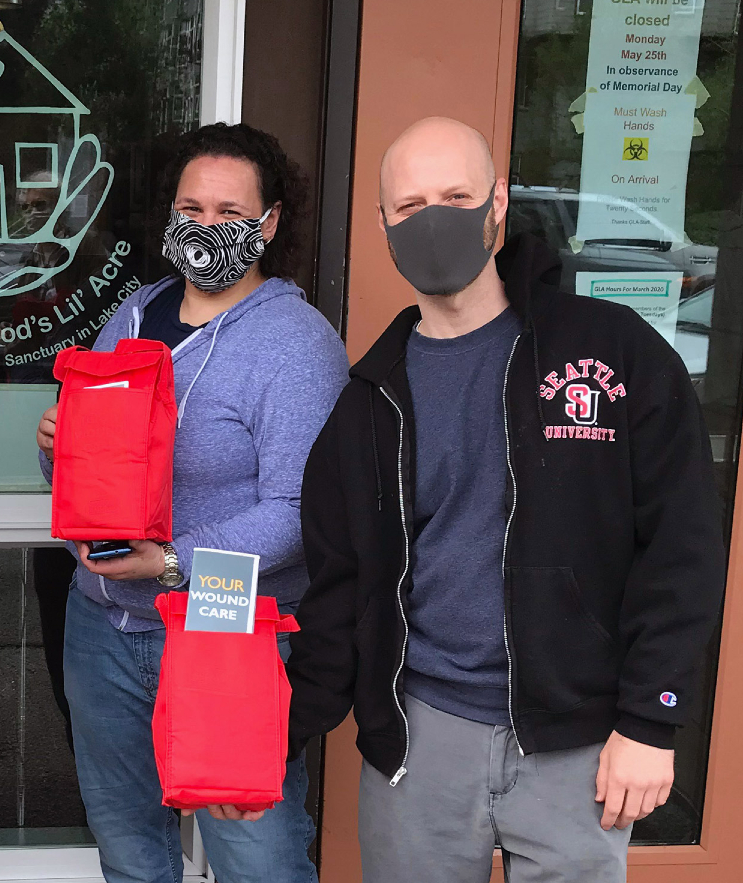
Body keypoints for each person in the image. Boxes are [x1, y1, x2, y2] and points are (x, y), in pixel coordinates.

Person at [286, 116, 725, 882]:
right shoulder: (367, 402)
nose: (434, 220)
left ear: (495, 202)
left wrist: (651, 720)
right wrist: (275, 734)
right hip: (419, 738)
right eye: (411, 204)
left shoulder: (611, 354)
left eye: (456, 195)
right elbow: (339, 586)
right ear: (383, 222)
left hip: (576, 740)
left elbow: (681, 546)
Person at [36, 122, 349, 883]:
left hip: (223, 631)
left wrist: (173, 559)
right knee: (132, 856)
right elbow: (96, 472)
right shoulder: (135, 315)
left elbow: (296, 510)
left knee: (259, 860)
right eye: (191, 207)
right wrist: (56, 447)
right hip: (104, 626)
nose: (207, 227)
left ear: (269, 223)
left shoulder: (296, 343)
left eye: (230, 213)